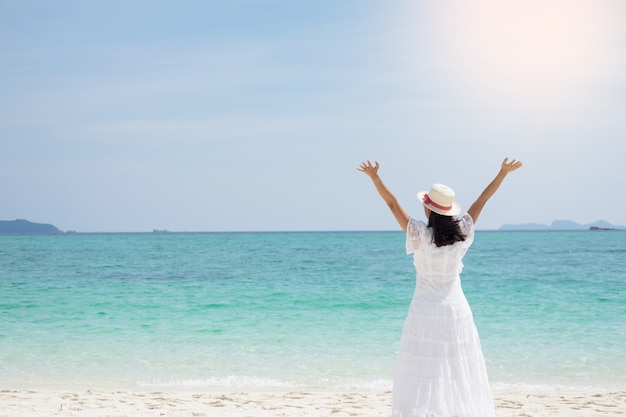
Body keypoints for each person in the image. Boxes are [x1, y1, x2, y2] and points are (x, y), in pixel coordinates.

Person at [357, 157, 523, 417]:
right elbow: (482, 201)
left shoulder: (419, 235)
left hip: (424, 311)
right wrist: (502, 173)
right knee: (456, 367)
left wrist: (375, 177)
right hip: (455, 310)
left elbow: (392, 204)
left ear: (428, 210)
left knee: (424, 370)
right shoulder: (463, 232)